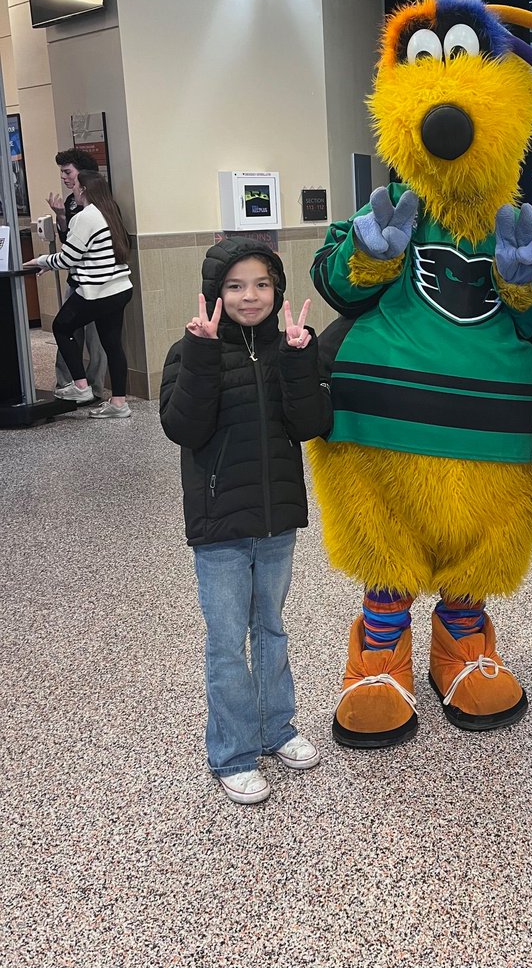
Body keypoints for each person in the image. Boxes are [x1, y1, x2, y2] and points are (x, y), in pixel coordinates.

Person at [159, 239, 333, 805]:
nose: (250, 296)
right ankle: (233, 752)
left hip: (276, 522)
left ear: (277, 290)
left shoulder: (289, 348)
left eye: (262, 284)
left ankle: (276, 729)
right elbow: (183, 428)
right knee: (228, 642)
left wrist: (301, 360)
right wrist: (202, 354)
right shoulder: (189, 352)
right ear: (215, 293)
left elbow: (310, 424)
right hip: (219, 527)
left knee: (272, 629)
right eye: (235, 286)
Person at [25, 171, 133, 418]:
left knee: (61, 327)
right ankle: (119, 404)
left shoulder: (86, 217)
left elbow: (69, 257)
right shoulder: (110, 212)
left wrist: (41, 260)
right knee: (112, 344)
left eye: (74, 184)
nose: (71, 189)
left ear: (83, 189)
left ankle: (81, 387)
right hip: (120, 288)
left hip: (96, 291)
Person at [46, 149, 108, 402]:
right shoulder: (72, 202)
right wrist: (61, 216)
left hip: (96, 283)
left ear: (82, 174)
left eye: (67, 172)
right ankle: (67, 383)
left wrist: (44, 262)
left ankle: (94, 388)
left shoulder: (99, 204)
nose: (64, 177)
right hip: (76, 278)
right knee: (66, 329)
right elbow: (68, 241)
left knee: (96, 338)